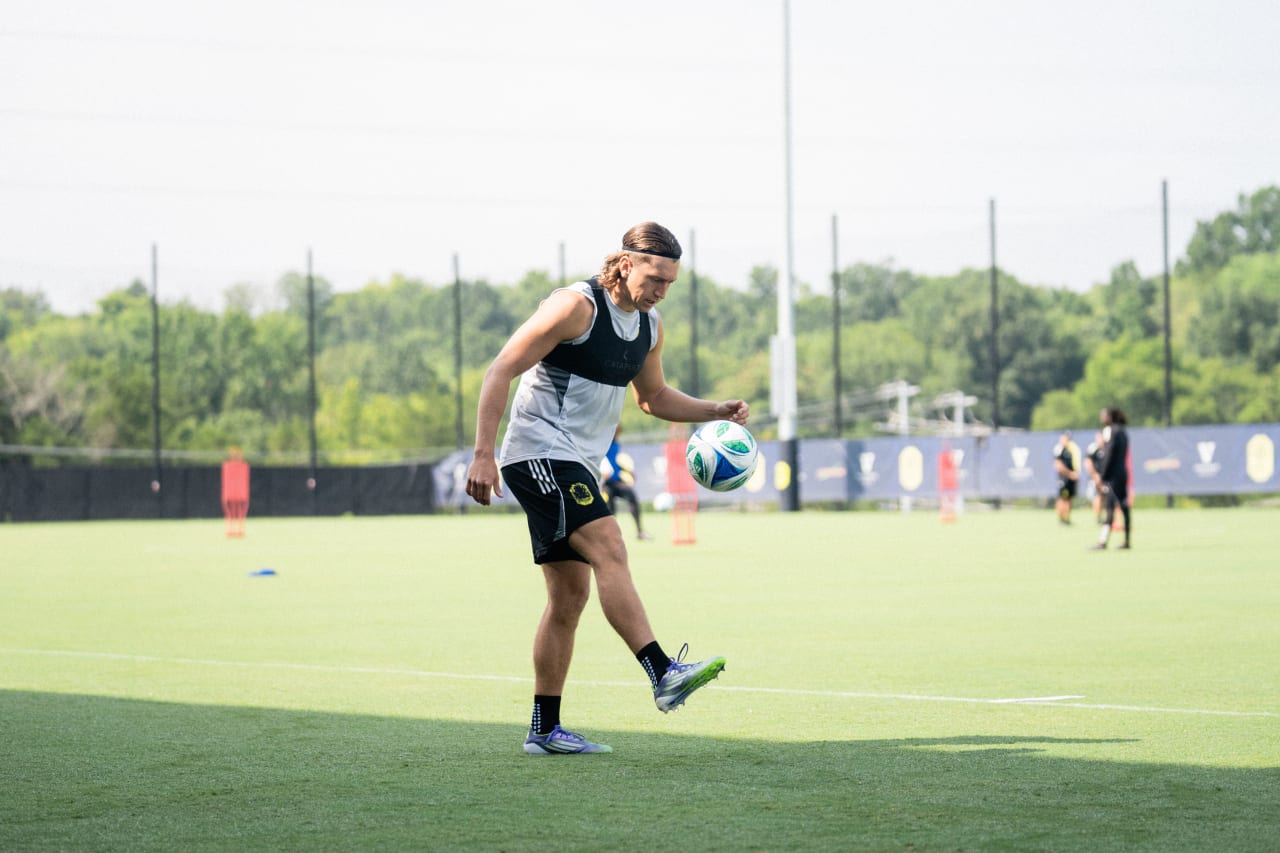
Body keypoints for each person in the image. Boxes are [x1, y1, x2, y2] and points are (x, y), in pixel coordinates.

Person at [465, 221, 749, 755]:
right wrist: (483, 453)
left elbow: (655, 397)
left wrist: (715, 410)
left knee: (568, 598)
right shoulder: (576, 308)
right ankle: (662, 671)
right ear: (624, 264)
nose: (662, 290)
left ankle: (543, 729)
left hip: (576, 462)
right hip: (539, 453)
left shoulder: (649, 326)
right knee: (611, 546)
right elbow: (500, 369)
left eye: (670, 283)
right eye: (655, 277)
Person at [602, 425, 652, 541]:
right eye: (616, 431)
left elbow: (614, 463)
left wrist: (627, 471)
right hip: (605, 483)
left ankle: (640, 531)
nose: (618, 433)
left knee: (632, 497)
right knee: (610, 507)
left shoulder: (616, 445)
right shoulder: (603, 444)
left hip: (616, 481)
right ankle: (610, 535)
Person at [1090, 407, 1131, 550]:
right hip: (1122, 473)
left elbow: (1109, 454)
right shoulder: (1123, 431)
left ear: (1110, 417)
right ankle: (1127, 541)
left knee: (1109, 507)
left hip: (1112, 475)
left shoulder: (1109, 430)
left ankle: (1103, 541)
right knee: (1124, 506)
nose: (1101, 417)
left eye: (1103, 415)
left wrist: (1103, 474)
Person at [1051, 432, 1080, 525]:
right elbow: (1058, 465)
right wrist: (1069, 474)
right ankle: (1061, 519)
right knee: (1062, 498)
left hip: (1071, 479)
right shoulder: (1059, 449)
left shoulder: (1072, 449)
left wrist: (1075, 474)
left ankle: (1067, 518)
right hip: (1063, 478)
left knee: (1068, 498)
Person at [1083, 431, 1106, 522]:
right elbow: (1088, 462)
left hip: (1105, 477)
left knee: (1103, 496)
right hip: (1095, 476)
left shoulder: (1106, 448)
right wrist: (1094, 475)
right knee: (1096, 496)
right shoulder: (1093, 448)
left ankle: (1101, 515)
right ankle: (1098, 517)